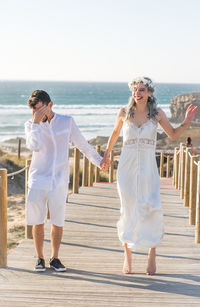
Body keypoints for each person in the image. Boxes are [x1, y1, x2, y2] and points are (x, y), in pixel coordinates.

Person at [101, 77, 198, 275]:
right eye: (135, 90)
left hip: (148, 168)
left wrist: (186, 122)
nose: (137, 93)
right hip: (126, 168)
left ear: (150, 93)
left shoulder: (157, 114)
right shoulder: (123, 112)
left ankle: (152, 253)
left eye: (142, 89)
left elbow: (172, 135)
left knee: (151, 206)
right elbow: (114, 133)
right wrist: (106, 155)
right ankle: (127, 254)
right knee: (127, 208)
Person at [25, 90, 110, 272]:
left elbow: (84, 146)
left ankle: (55, 258)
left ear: (50, 105)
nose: (37, 114)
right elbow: (34, 146)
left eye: (40, 110)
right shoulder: (31, 124)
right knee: (37, 220)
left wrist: (99, 161)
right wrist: (36, 124)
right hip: (38, 179)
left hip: (59, 180)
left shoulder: (66, 122)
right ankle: (39, 258)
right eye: (34, 111)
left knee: (57, 221)